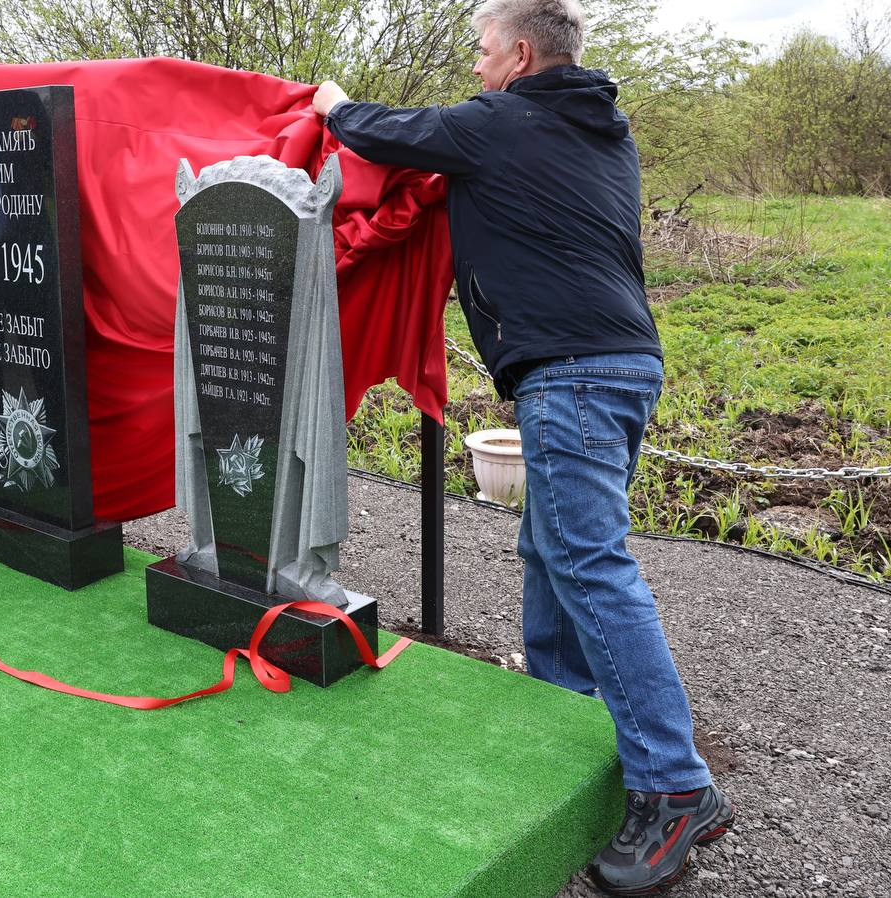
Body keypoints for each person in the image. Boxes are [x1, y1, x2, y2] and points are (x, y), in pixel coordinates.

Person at [310, 0, 733, 893]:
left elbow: (390, 133)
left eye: (483, 50)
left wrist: (333, 104)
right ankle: (559, 713)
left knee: (588, 561)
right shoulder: (606, 131)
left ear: (522, 55)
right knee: (551, 548)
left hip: (571, 372)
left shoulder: (500, 121)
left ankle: (675, 785)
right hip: (625, 363)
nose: (475, 65)